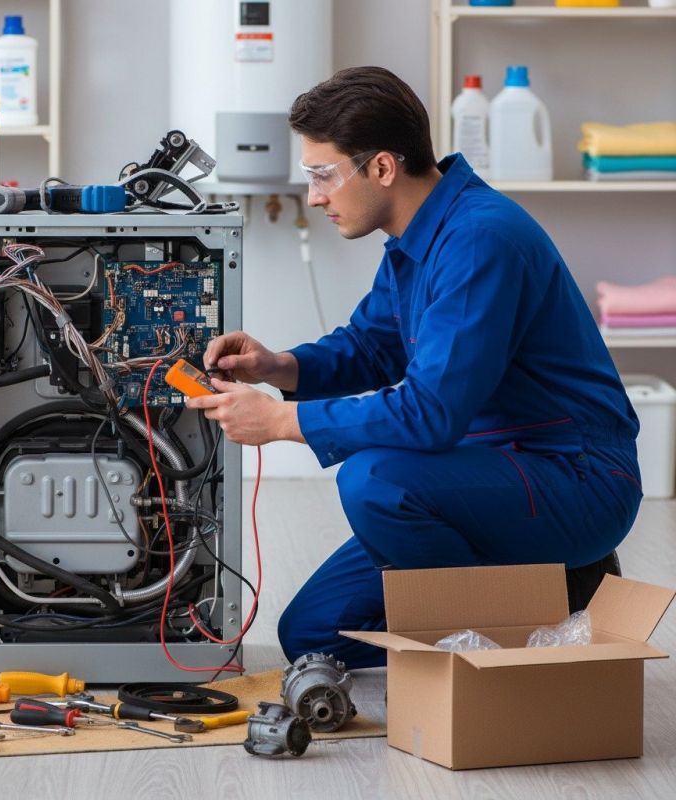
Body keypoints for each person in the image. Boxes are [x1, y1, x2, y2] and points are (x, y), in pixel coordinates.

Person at [186, 66, 642, 669]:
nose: (315, 195)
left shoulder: (481, 239)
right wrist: (277, 365)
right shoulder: (417, 237)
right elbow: (373, 348)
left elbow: (431, 413)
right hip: (485, 473)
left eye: (323, 175)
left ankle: (538, 607)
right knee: (313, 635)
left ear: (381, 167)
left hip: (575, 481)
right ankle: (531, 588)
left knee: (375, 480)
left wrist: (279, 422)